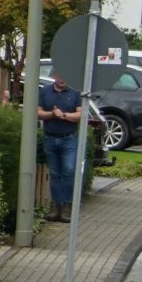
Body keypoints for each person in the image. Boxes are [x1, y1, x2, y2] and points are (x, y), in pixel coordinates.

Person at [37, 66, 85, 221]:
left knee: (68, 171)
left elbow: (81, 114)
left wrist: (63, 115)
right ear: (54, 76)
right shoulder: (45, 91)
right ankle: (55, 206)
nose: (62, 78)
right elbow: (38, 112)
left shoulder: (75, 92)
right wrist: (52, 114)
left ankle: (66, 206)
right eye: (59, 75)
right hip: (50, 138)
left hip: (68, 138)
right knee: (55, 173)